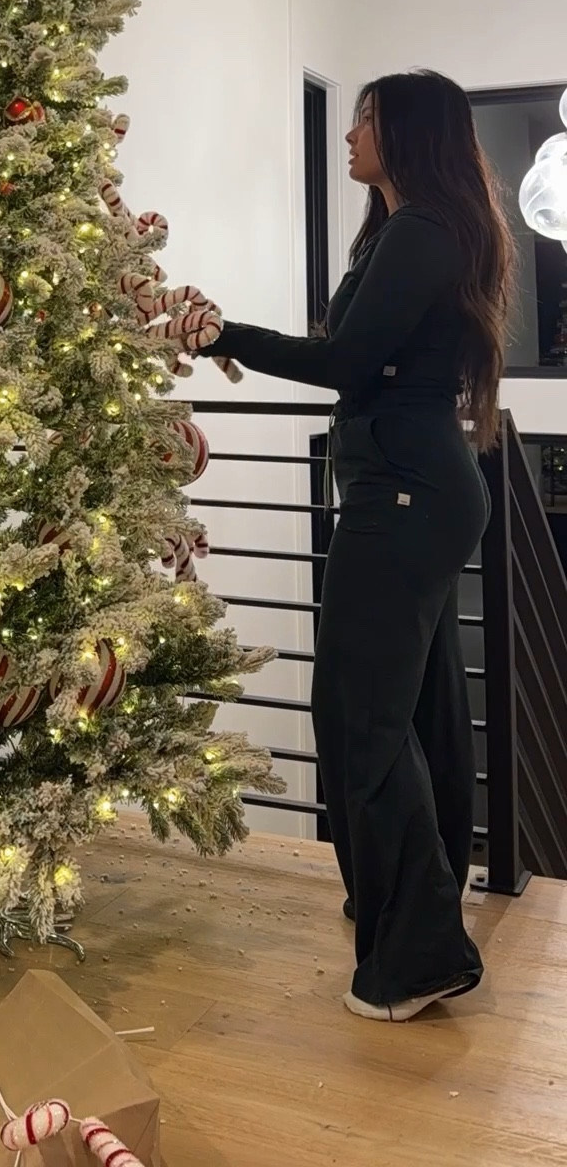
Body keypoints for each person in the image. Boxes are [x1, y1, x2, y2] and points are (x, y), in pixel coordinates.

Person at [199, 70, 513, 1022]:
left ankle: (418, 957)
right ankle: (413, 902)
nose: (348, 135)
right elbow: (360, 352)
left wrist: (224, 333)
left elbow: (343, 362)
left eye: (364, 119)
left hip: (405, 496)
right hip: (415, 489)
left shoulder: (421, 231)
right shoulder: (408, 229)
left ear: (404, 132)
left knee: (357, 716)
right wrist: (230, 334)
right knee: (415, 711)